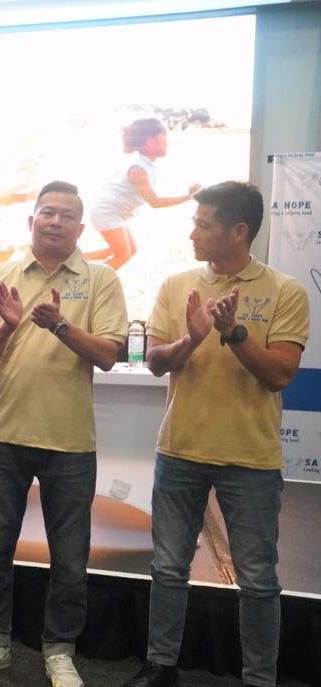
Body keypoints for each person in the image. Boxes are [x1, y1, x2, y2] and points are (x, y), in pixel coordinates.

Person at [124, 182, 310, 687]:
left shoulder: (285, 291)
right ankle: (161, 666)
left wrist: (234, 334)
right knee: (168, 568)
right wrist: (193, 338)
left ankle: (259, 678)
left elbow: (279, 375)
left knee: (257, 579)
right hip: (179, 450)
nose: (193, 233)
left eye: (203, 224)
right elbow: (156, 361)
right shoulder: (177, 284)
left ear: (238, 231)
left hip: (251, 459)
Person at [0, 181, 127, 687]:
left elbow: (109, 355)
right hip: (4, 435)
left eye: (67, 215)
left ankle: (60, 650)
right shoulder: (0, 276)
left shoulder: (101, 279)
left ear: (81, 227)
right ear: (31, 221)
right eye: (47, 212)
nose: (56, 221)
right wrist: (9, 326)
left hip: (70, 441)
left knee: (69, 557)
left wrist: (61, 327)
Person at [84, 118, 201, 270]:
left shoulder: (145, 165)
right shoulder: (139, 169)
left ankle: (76, 259)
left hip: (112, 213)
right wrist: (190, 196)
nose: (167, 143)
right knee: (123, 254)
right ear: (151, 141)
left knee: (130, 250)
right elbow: (155, 202)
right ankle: (89, 280)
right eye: (164, 139)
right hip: (106, 212)